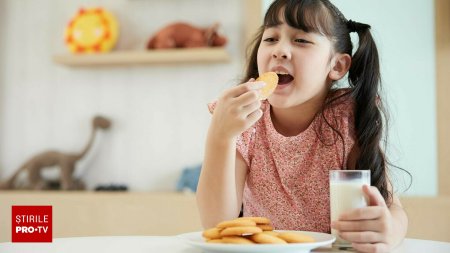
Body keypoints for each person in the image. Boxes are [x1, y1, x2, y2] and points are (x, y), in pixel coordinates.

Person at [196, 0, 408, 252]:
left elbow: (393, 208)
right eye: (271, 38)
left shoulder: (346, 119)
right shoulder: (247, 121)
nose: (280, 50)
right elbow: (217, 225)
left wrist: (388, 231)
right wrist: (220, 135)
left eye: (301, 40)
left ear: (337, 65)